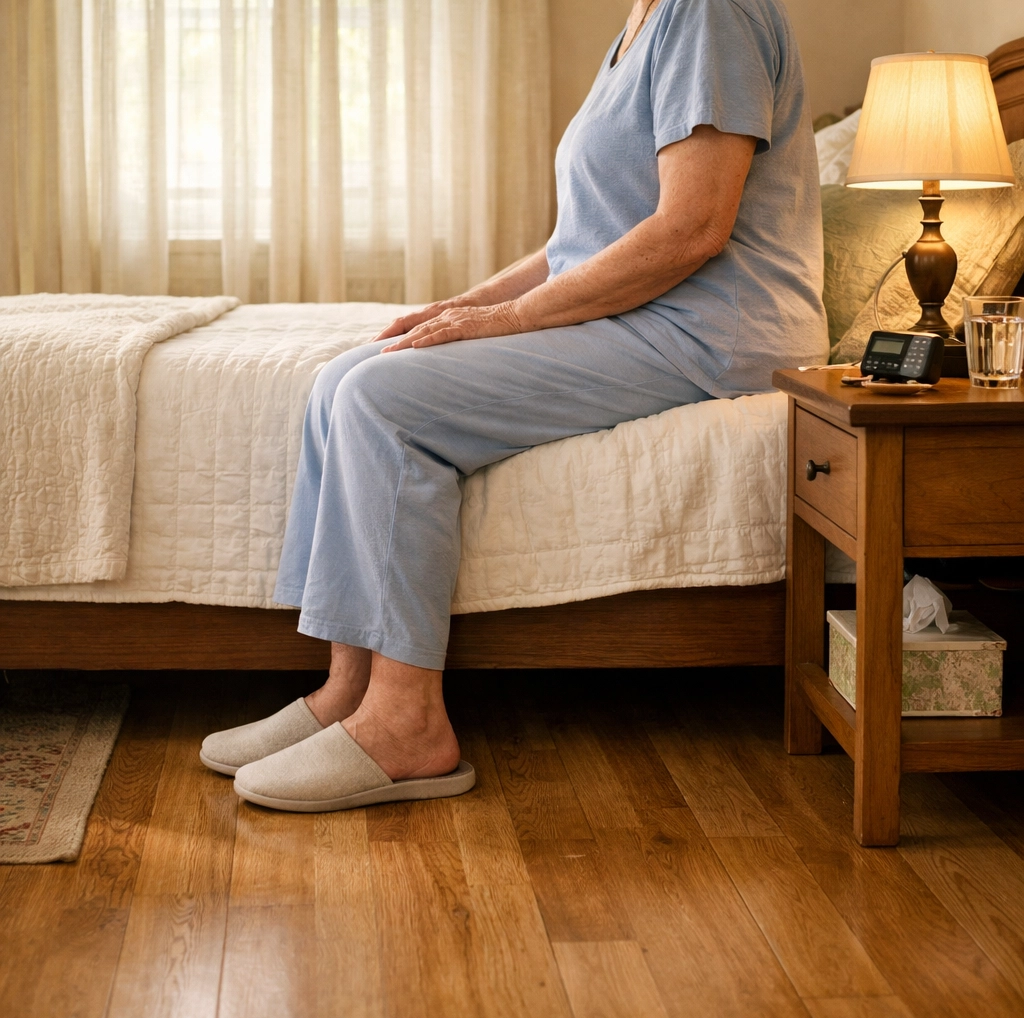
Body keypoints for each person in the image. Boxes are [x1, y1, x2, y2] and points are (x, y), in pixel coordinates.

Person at [201, 0, 829, 812]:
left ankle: (408, 724)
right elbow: (581, 243)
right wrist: (457, 310)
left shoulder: (708, 12)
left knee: (386, 402)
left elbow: (691, 229)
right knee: (345, 377)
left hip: (708, 332)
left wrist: (504, 323)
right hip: (648, 315)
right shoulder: (643, 25)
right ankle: (347, 693)